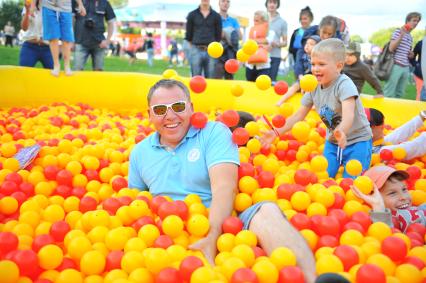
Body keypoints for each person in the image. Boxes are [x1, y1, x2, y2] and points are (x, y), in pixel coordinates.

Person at [128, 79, 317, 283]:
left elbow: (225, 187)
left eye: (178, 106)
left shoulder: (214, 132)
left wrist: (213, 234)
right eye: (160, 110)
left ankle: (310, 279)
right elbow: (137, 204)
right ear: (149, 114)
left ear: (191, 108)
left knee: (266, 212)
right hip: (166, 232)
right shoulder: (140, 152)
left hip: (226, 223)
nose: (170, 116)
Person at [262, 39, 373, 179]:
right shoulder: (313, 87)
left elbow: (349, 115)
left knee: (352, 182)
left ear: (338, 66)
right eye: (313, 64)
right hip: (333, 143)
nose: (315, 69)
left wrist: (341, 131)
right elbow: (298, 116)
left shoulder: (345, 85)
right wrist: (276, 132)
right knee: (322, 177)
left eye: (321, 64)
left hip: (358, 141)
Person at [351, 165, 426, 233]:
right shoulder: (391, 219)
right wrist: (378, 205)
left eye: (404, 189)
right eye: (392, 193)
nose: (403, 197)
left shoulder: (417, 207)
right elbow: (386, 234)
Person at [36, 0, 86, 76]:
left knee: (67, 38)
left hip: (66, 8)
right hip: (48, 6)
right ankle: (56, 65)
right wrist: (33, 5)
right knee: (53, 37)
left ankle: (67, 65)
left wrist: (80, 4)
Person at [383, 12, 421, 98]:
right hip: (395, 65)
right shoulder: (398, 31)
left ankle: (394, 111)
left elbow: (406, 53)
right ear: (407, 21)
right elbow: (391, 48)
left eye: (417, 21)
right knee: (389, 93)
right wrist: (401, 36)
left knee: (399, 94)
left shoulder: (410, 36)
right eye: (414, 20)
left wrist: (411, 54)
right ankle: (384, 111)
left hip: (406, 67)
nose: (416, 23)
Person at [276, 34, 320, 105]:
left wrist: (307, 85)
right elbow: (298, 67)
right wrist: (302, 79)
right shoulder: (302, 54)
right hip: (302, 78)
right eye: (307, 43)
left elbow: (316, 71)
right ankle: (281, 101)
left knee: (316, 89)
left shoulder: (318, 58)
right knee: (295, 86)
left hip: (314, 80)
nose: (307, 45)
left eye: (311, 44)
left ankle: (315, 104)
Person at [73, 0, 116, 71]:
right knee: (77, 70)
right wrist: (71, 39)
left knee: (98, 71)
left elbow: (111, 22)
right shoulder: (78, 2)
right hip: (80, 42)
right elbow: (70, 20)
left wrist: (107, 41)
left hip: (99, 43)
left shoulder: (104, 3)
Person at [185, 0, 222, 78]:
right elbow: (188, 34)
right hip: (196, 49)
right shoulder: (192, 15)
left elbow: (218, 35)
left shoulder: (216, 16)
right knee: (195, 77)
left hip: (211, 51)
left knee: (211, 77)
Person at [19, 0, 53, 69]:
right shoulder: (29, 4)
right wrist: (28, 11)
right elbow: (24, 28)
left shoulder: (52, 6)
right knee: (24, 74)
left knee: (54, 76)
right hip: (30, 46)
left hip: (47, 47)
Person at [214, 0, 241, 80]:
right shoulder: (214, 18)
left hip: (230, 52)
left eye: (228, 1)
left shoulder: (233, 20)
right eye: (223, 1)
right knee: (217, 77)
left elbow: (239, 36)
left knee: (229, 77)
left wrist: (224, 32)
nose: (225, 3)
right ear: (219, 3)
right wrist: (230, 32)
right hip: (217, 52)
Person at [245, 11, 275, 82]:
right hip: (250, 66)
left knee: (262, 89)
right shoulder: (252, 30)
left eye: (257, 20)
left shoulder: (270, 32)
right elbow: (248, 44)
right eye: (254, 20)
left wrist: (254, 42)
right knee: (250, 88)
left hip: (263, 67)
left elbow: (268, 42)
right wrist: (261, 45)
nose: (255, 23)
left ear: (264, 20)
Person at [288, 6, 314, 79]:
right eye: (301, 19)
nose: (303, 21)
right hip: (297, 60)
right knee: (298, 79)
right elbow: (290, 48)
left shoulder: (313, 32)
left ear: (311, 19)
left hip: (309, 62)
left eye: (305, 19)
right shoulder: (296, 32)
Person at [265, 0, 287, 83]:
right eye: (270, 2)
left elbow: (285, 42)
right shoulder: (262, 19)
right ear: (266, 4)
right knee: (261, 81)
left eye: (274, 2)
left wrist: (276, 44)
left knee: (271, 81)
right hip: (262, 54)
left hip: (275, 56)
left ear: (277, 5)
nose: (272, 4)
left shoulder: (283, 22)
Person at [411, 27, 425, 101]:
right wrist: (417, 65)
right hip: (420, 75)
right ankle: (419, 111)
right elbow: (412, 57)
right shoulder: (421, 43)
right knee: (420, 95)